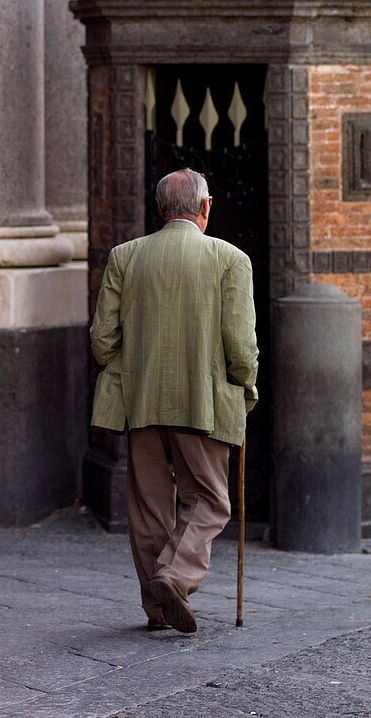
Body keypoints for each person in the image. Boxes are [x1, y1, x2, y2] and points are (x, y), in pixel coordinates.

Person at [89, 168, 260, 634]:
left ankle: (158, 607)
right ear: (205, 208)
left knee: (148, 509)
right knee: (210, 500)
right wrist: (246, 384)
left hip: (141, 400)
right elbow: (241, 345)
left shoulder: (125, 257)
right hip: (203, 404)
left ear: (161, 209)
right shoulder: (230, 259)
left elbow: (103, 341)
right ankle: (176, 576)